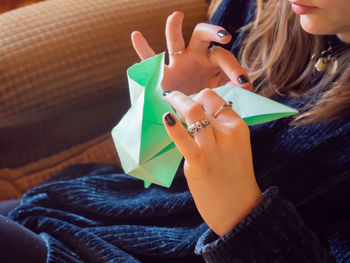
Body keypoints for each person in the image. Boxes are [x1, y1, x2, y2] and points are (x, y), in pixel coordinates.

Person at [1, 0, 349, 262]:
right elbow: (146, 169)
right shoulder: (260, 9)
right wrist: (165, 107)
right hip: (108, 212)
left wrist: (244, 216)